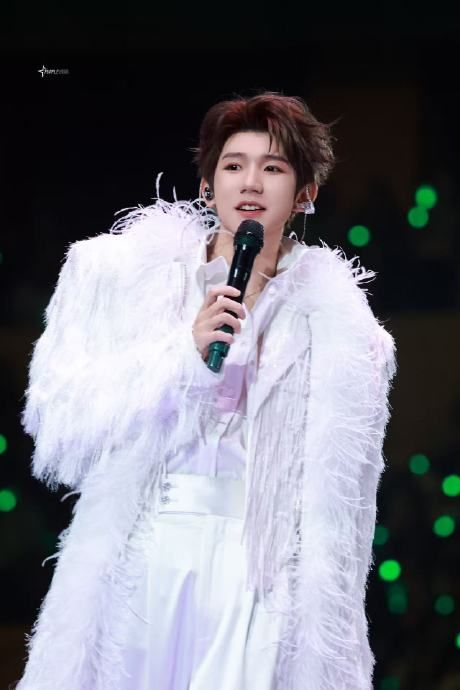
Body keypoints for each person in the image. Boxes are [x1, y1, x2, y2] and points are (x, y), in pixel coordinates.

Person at [16, 92, 397, 690]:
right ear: (207, 184)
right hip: (146, 555)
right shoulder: (125, 280)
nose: (251, 182)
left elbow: (347, 504)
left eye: (273, 167)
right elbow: (58, 426)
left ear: (305, 193)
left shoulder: (341, 327)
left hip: (262, 571)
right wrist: (180, 355)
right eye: (233, 164)